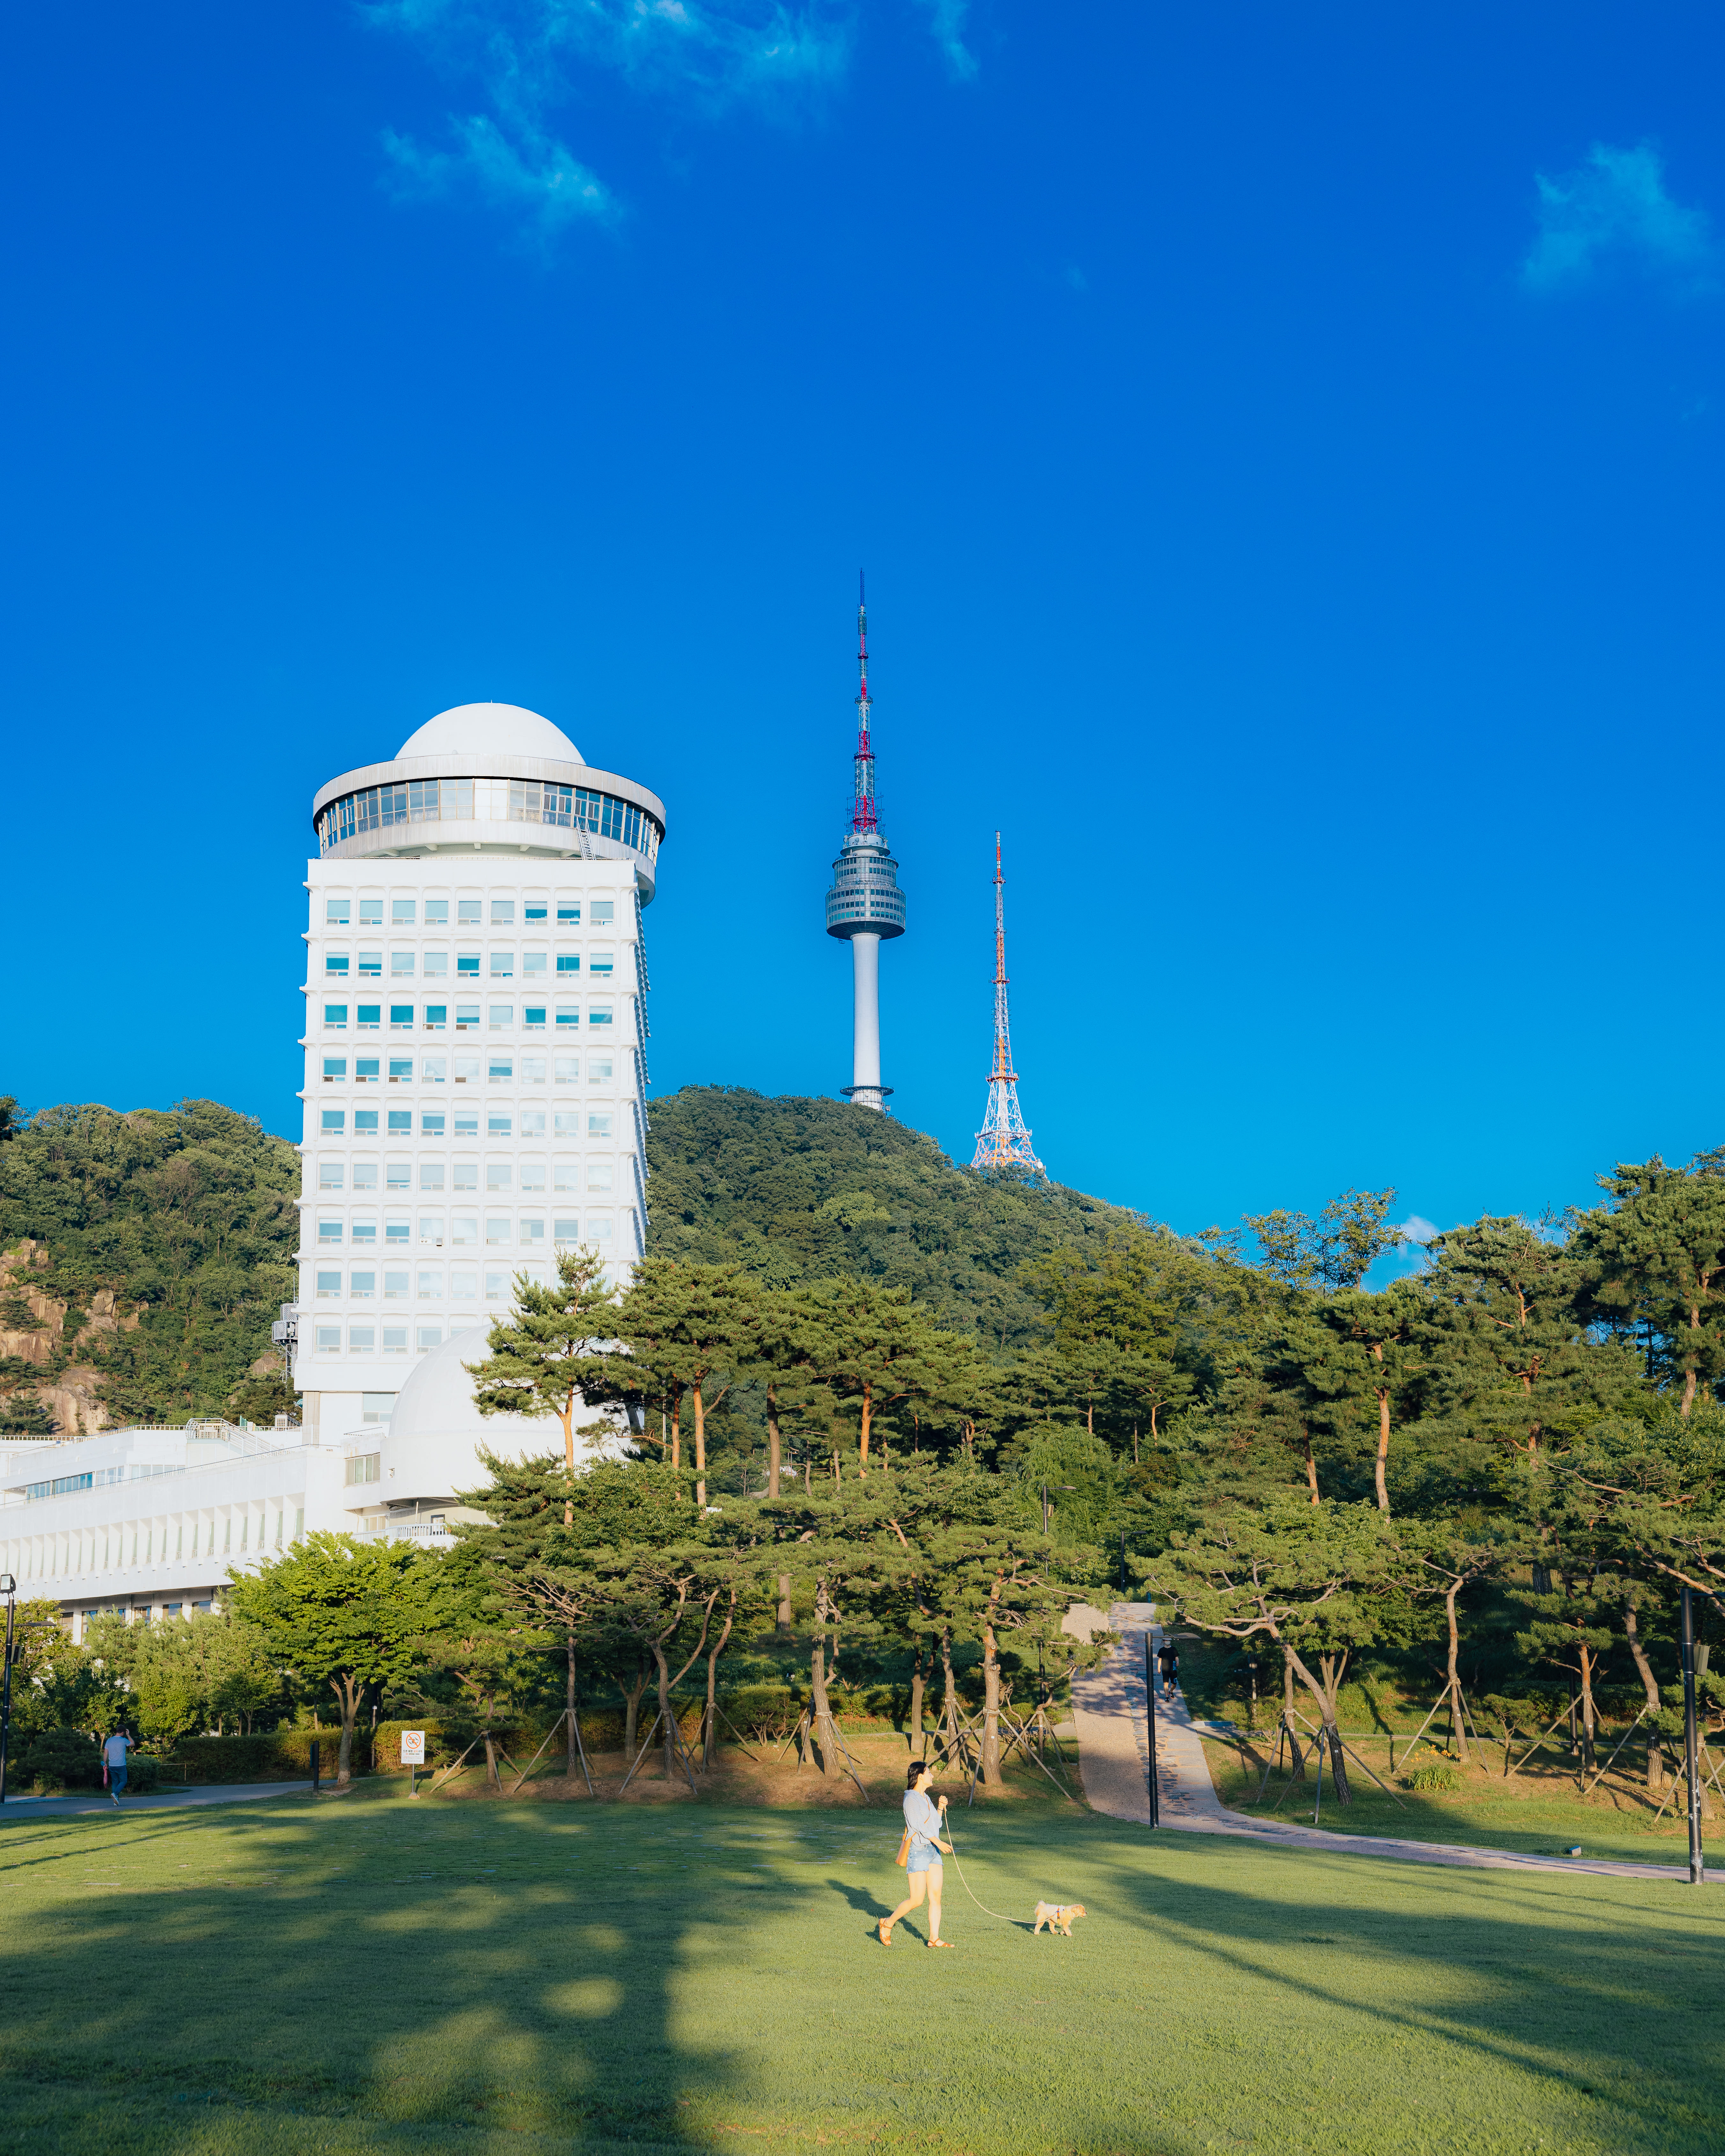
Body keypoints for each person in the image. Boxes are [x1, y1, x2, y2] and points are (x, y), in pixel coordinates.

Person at [878, 1761, 955, 1949]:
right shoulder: (910, 1799)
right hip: (919, 1851)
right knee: (917, 1900)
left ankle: (934, 1939)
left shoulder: (926, 1798)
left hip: (933, 1853)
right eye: (929, 1772)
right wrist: (939, 1842)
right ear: (920, 1776)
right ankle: (887, 1923)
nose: (932, 1776)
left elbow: (936, 1825)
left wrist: (939, 1807)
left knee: (936, 1897)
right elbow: (917, 1826)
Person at [103, 1726, 134, 1806]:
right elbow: (133, 1744)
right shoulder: (124, 1740)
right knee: (124, 1781)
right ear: (123, 1733)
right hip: (121, 1765)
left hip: (112, 1765)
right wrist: (129, 1735)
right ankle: (116, 1794)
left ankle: (116, 1802)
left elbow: (106, 1752)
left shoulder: (109, 1741)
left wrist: (105, 1763)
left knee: (115, 1782)